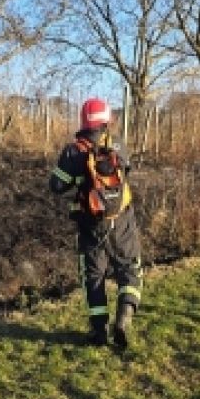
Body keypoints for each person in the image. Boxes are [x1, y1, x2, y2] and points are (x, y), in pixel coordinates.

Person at [49, 97, 142, 347]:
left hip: (91, 222)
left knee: (93, 275)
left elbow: (56, 185)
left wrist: (78, 177)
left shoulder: (73, 151)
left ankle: (98, 331)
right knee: (129, 267)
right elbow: (126, 171)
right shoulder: (118, 144)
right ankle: (124, 317)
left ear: (83, 120)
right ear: (107, 119)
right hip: (122, 219)